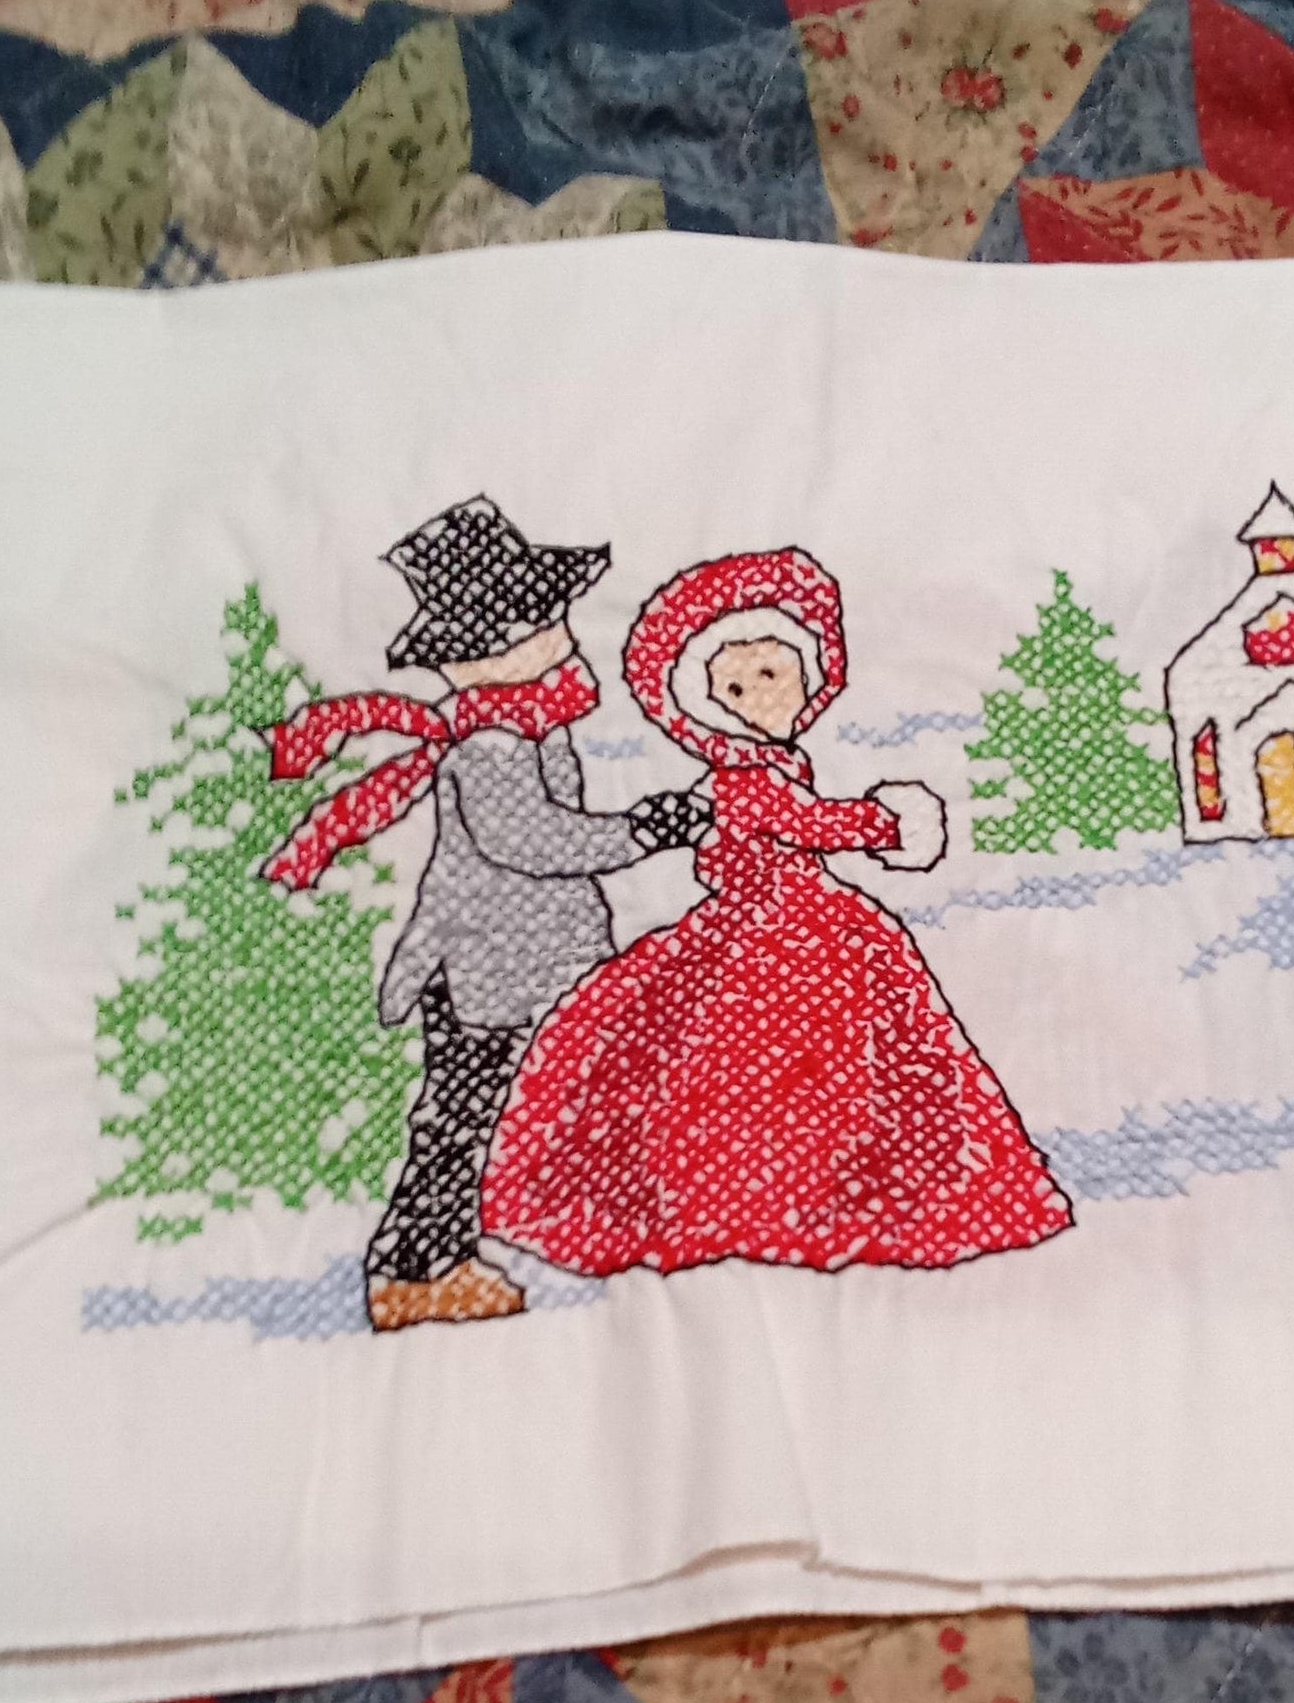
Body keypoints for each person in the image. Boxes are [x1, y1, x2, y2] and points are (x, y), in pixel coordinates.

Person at [481, 546, 1073, 1276]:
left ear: (807, 674)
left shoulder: (772, 765)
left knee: (824, 1063)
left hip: (799, 916)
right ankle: (783, 1200)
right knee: (772, 1066)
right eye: (732, 685)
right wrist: (886, 823)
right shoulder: (746, 779)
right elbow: (809, 824)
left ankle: (821, 1192)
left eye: (770, 673)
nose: (756, 695)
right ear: (707, 705)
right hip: (771, 929)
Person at [263, 496, 703, 1330]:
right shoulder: (491, 748)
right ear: (475, 658)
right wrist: (642, 830)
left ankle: (462, 1249)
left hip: (521, 967)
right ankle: (413, 1267)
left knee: (501, 1107)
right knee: (461, 1116)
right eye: (536, 623)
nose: (558, 633)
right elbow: (533, 840)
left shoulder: (531, 731)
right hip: (480, 974)